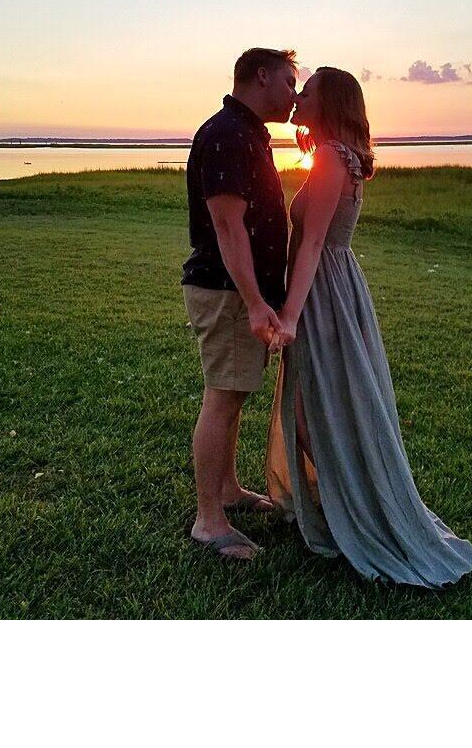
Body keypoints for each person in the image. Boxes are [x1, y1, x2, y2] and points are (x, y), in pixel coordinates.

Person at [266, 67, 472, 587]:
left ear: (331, 102)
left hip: (322, 292)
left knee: (316, 405)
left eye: (308, 90)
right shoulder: (341, 157)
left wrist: (290, 316)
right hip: (336, 284)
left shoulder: (333, 159)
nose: (299, 96)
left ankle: (353, 501)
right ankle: (343, 494)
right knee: (318, 401)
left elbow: (312, 243)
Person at [182, 48, 298, 560]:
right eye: (290, 83)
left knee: (234, 394)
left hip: (240, 293)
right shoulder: (228, 133)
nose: (294, 95)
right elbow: (227, 225)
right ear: (262, 75)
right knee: (223, 396)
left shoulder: (248, 132)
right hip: (228, 292)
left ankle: (228, 488)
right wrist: (254, 302)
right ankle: (209, 521)